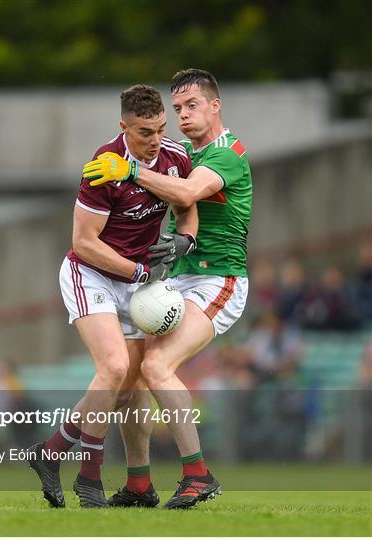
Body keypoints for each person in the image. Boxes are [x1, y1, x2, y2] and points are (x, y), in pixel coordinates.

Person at [84, 68, 252, 509]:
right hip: (176, 279)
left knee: (157, 366)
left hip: (219, 278)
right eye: (176, 108)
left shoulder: (226, 155)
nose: (183, 115)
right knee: (132, 374)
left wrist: (131, 170)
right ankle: (139, 482)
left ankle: (198, 475)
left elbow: (189, 192)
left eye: (192, 105)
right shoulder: (179, 152)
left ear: (215, 105)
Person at [27, 84, 198, 508]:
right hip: (93, 276)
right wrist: (139, 270)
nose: (155, 140)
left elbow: (185, 202)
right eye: (144, 132)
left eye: (160, 128)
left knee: (127, 387)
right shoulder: (103, 167)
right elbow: (84, 243)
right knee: (115, 367)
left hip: (136, 284)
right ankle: (89, 480)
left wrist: (185, 240)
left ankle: (49, 454)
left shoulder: (175, 157)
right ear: (123, 127)